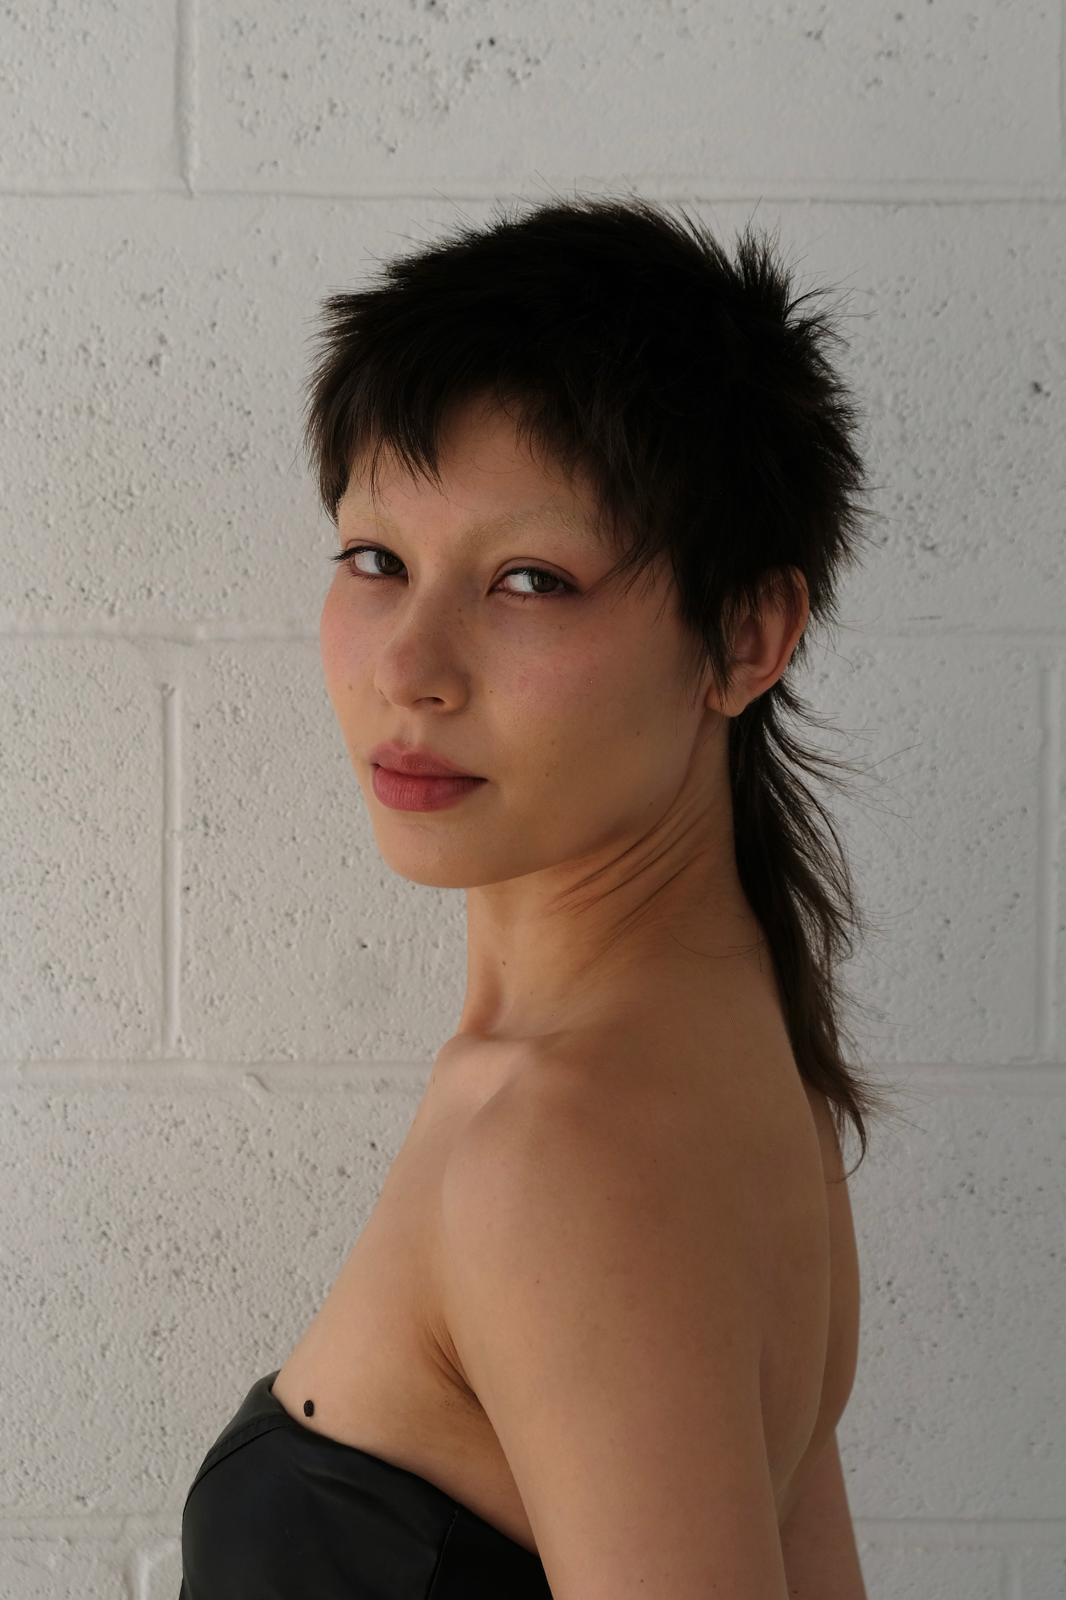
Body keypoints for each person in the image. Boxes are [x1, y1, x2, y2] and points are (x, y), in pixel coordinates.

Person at [179, 192, 901, 1598]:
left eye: (527, 579)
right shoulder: (730, 1069)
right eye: (377, 560)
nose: (410, 668)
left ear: (745, 636)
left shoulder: (561, 1148)